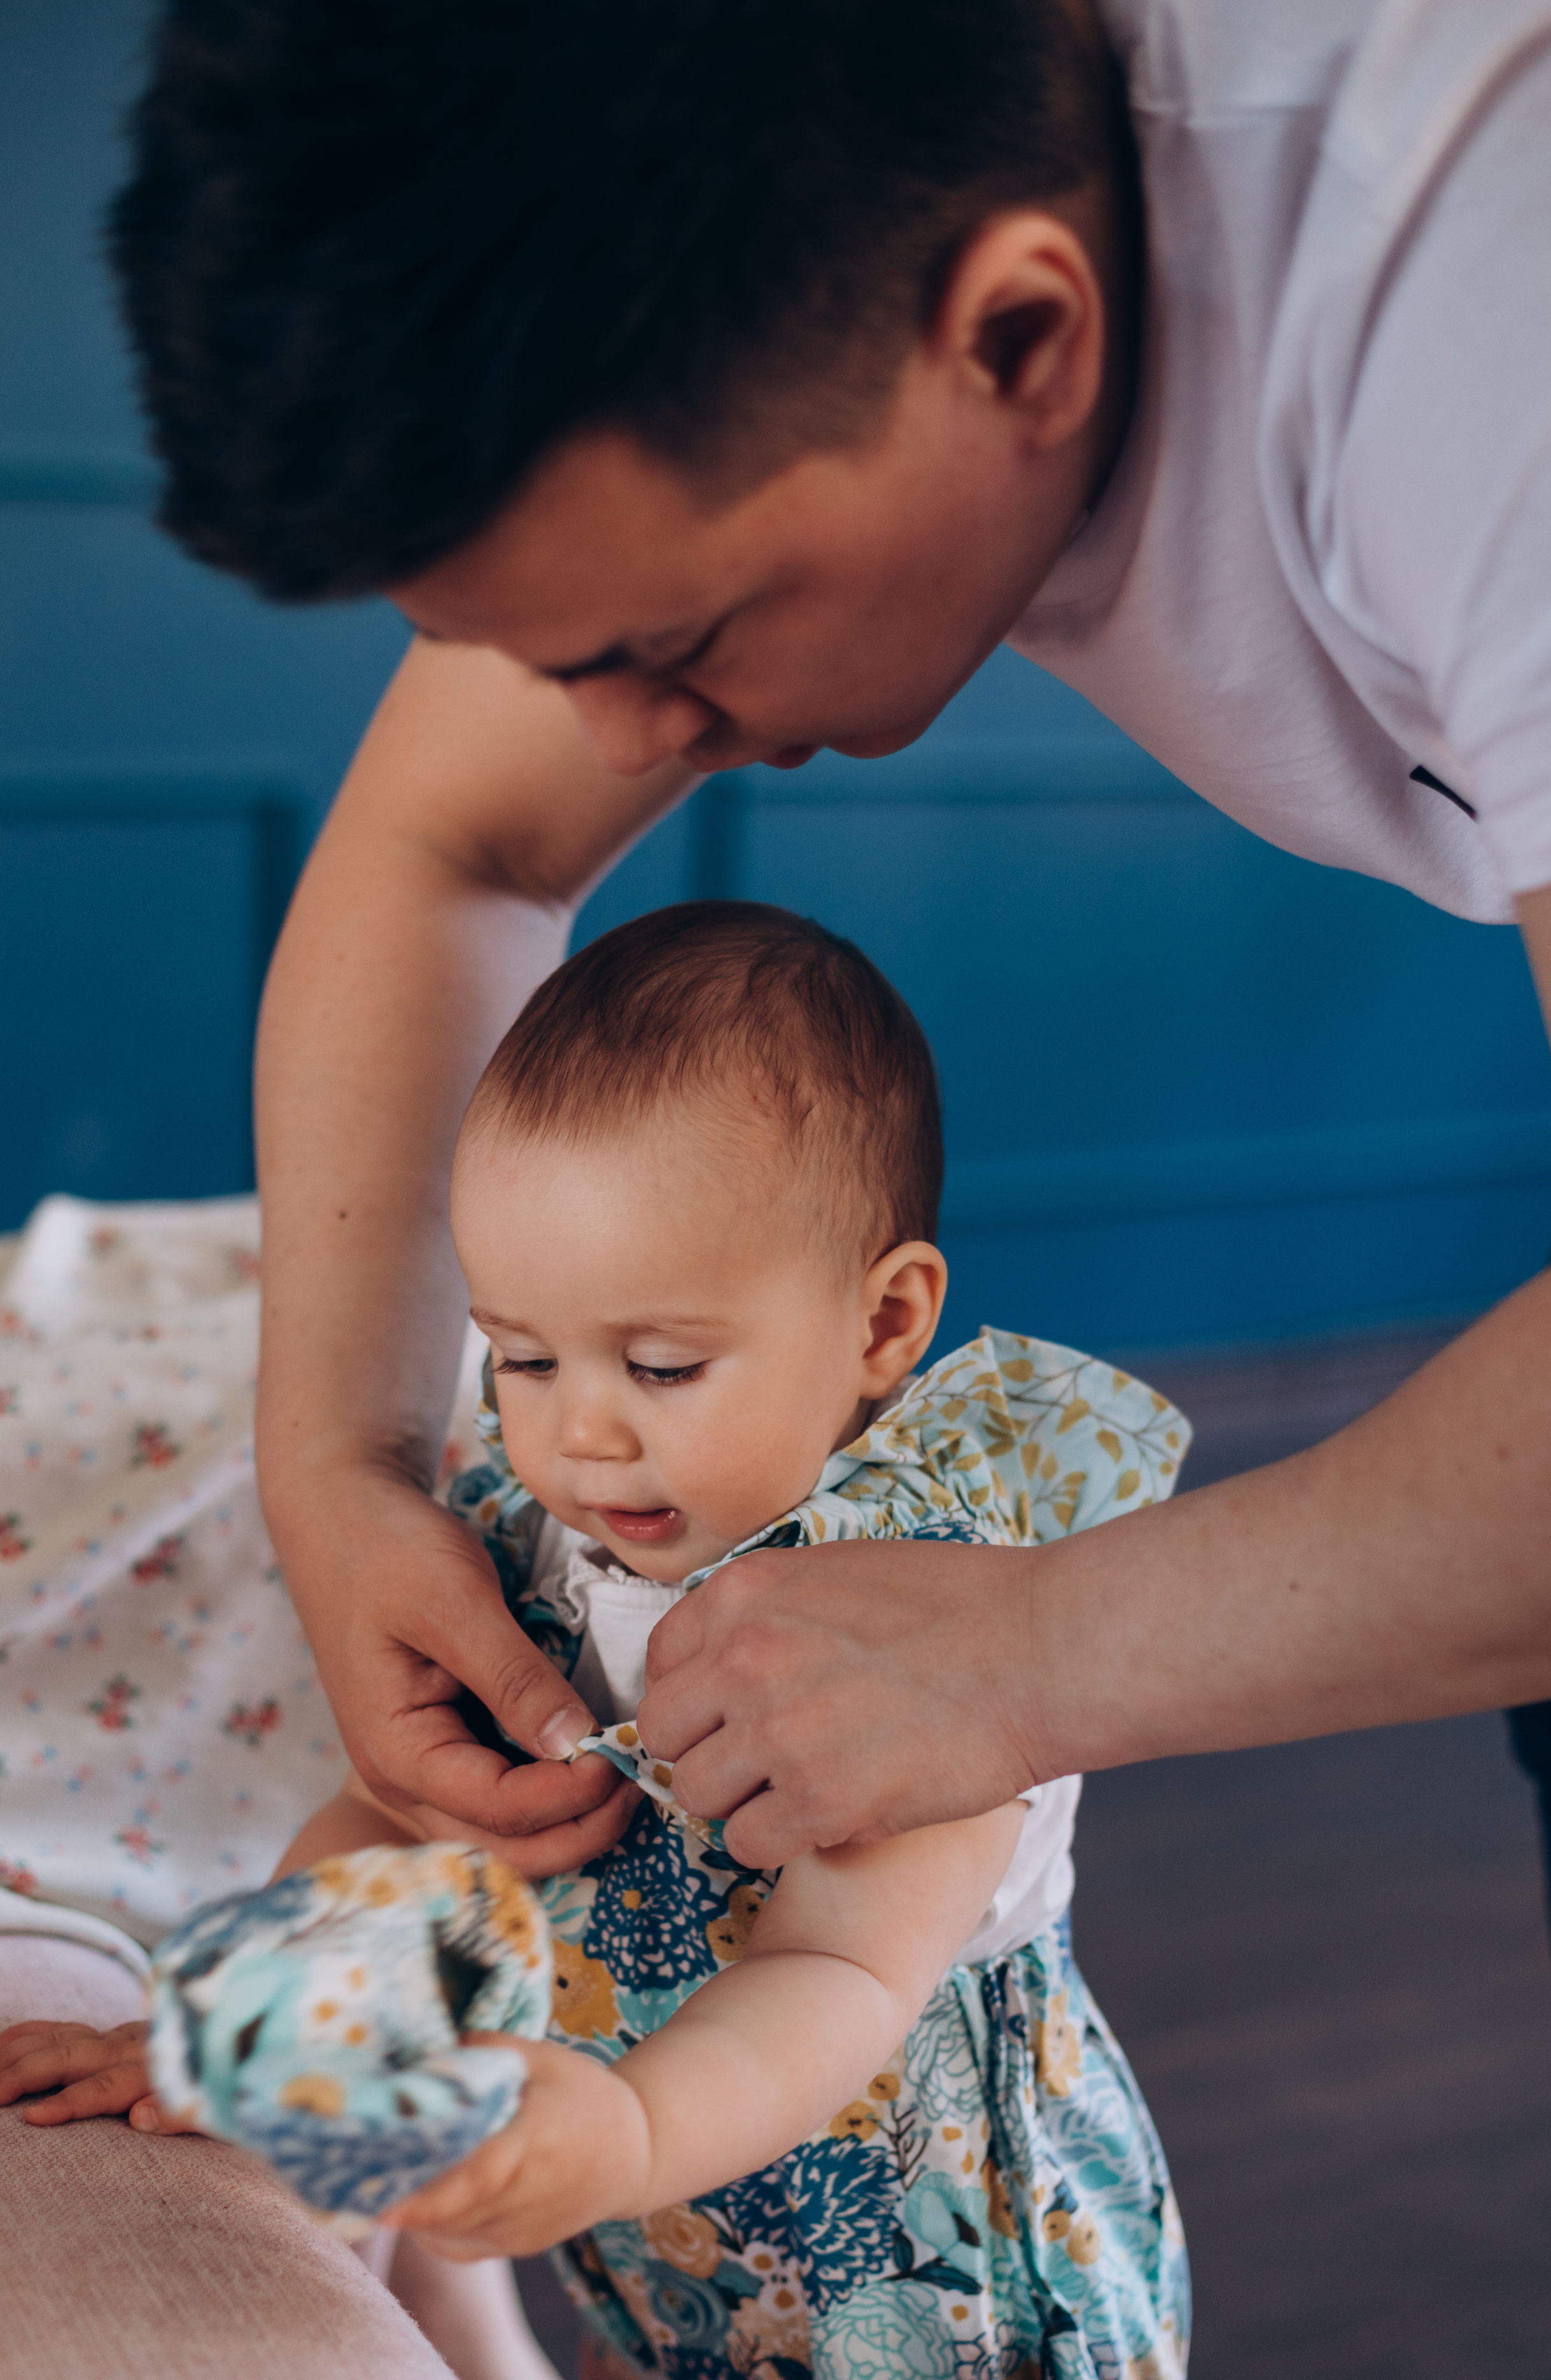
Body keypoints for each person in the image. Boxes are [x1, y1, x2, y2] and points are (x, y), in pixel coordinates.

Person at [104, 0, 1551, 2354]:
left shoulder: (1526, 261)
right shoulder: (713, 195)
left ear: (1016, 337)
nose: (617, 739)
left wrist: (1039, 1650)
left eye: (683, 640)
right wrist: (341, 1460)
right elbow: (443, 857)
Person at [1, 906, 1192, 2380]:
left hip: (924, 2280)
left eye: (662, 1364)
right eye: (520, 1354)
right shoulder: (529, 1531)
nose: (576, 1429)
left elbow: (841, 1973)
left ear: (883, 1323)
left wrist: (626, 2129)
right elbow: (402, 1816)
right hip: (648, 2231)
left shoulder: (922, 1622)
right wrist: (240, 2034)